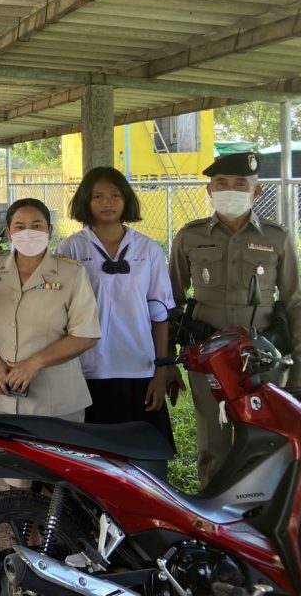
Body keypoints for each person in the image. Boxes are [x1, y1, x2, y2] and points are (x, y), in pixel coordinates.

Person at [169, 151, 301, 486]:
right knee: (213, 444)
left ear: (256, 191)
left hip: (261, 358)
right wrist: (168, 362)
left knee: (263, 440)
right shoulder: (190, 236)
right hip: (207, 359)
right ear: (209, 190)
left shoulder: (277, 237)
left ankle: (260, 514)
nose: (229, 189)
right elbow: (170, 300)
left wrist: (300, 372)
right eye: (221, 183)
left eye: (239, 183)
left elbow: (294, 302)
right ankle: (214, 512)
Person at [57, 167, 180, 479]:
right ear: (85, 201)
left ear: (126, 200)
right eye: (98, 196)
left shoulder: (148, 249)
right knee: (91, 464)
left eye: (114, 195)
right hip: (87, 369)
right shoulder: (70, 249)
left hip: (138, 368)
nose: (107, 202)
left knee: (144, 462)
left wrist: (161, 369)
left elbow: (160, 313)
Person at [0, 197, 100, 420]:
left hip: (58, 402)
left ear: (50, 230)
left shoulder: (71, 273)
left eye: (37, 226)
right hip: (1, 395)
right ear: (9, 233)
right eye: (20, 227)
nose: (28, 233)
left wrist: (34, 363)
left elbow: (86, 335)